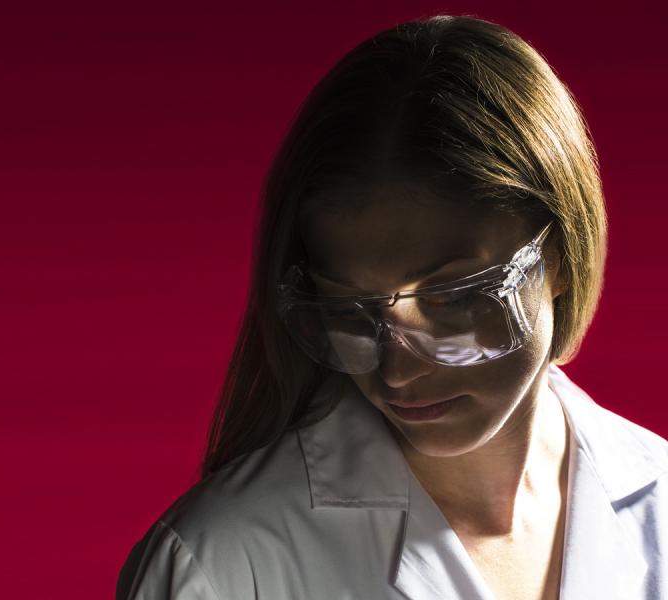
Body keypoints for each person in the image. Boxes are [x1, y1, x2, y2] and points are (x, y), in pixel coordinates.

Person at [116, 14, 668, 600]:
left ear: (558, 256)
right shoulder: (220, 565)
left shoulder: (659, 500)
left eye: (453, 297)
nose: (396, 372)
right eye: (348, 307)